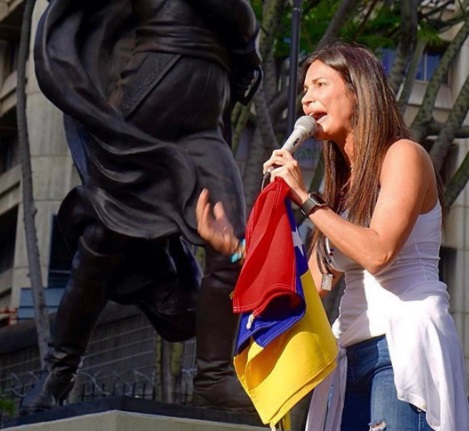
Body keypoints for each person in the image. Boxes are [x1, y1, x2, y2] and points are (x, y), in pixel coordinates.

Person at [195, 41, 469, 430]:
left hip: (403, 345)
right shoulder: (340, 191)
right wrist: (236, 250)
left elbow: (379, 252)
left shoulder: (404, 155)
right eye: (305, 91)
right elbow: (312, 283)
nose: (307, 101)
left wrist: (304, 198)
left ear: (357, 90)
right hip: (349, 355)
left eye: (320, 85)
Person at [20, 0, 261, 415]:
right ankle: (58, 374)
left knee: (232, 245)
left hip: (205, 123)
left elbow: (240, 24)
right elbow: (234, 16)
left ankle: (213, 377)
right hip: (147, 103)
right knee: (103, 239)